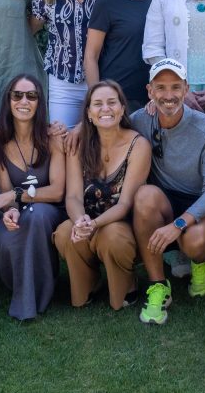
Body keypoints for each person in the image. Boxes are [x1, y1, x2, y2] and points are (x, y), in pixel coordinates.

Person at [130, 58, 205, 324]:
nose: (168, 96)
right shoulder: (140, 121)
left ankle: (200, 265)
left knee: (194, 241)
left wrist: (179, 224)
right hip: (164, 200)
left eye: (175, 87)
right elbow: (107, 130)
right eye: (160, 88)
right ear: (150, 91)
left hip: (201, 205)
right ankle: (158, 284)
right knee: (144, 196)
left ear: (186, 89)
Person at [54, 81, 151, 310]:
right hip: (88, 221)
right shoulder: (78, 144)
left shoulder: (138, 145)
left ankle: (126, 285)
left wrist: (94, 224)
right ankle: (89, 284)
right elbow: (73, 197)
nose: (105, 109)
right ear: (88, 113)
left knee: (112, 236)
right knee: (65, 232)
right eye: (97, 104)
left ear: (122, 108)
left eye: (111, 102)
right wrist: (80, 221)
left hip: (122, 225)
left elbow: (126, 203)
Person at [0, 74, 66, 320]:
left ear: (40, 102)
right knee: (9, 236)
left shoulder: (52, 138)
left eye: (31, 96)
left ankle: (32, 300)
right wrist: (11, 210)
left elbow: (57, 191)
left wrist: (15, 196)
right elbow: (6, 191)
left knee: (37, 216)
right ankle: (21, 289)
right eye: (17, 95)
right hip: (20, 209)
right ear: (8, 100)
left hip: (50, 209)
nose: (24, 101)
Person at [31, 0, 116, 128]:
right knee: (63, 139)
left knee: (101, 137)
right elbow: (30, 31)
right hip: (63, 82)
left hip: (105, 78)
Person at [83, 0, 155, 110]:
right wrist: (97, 99)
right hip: (118, 98)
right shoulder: (106, 3)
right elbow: (91, 56)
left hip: (155, 96)